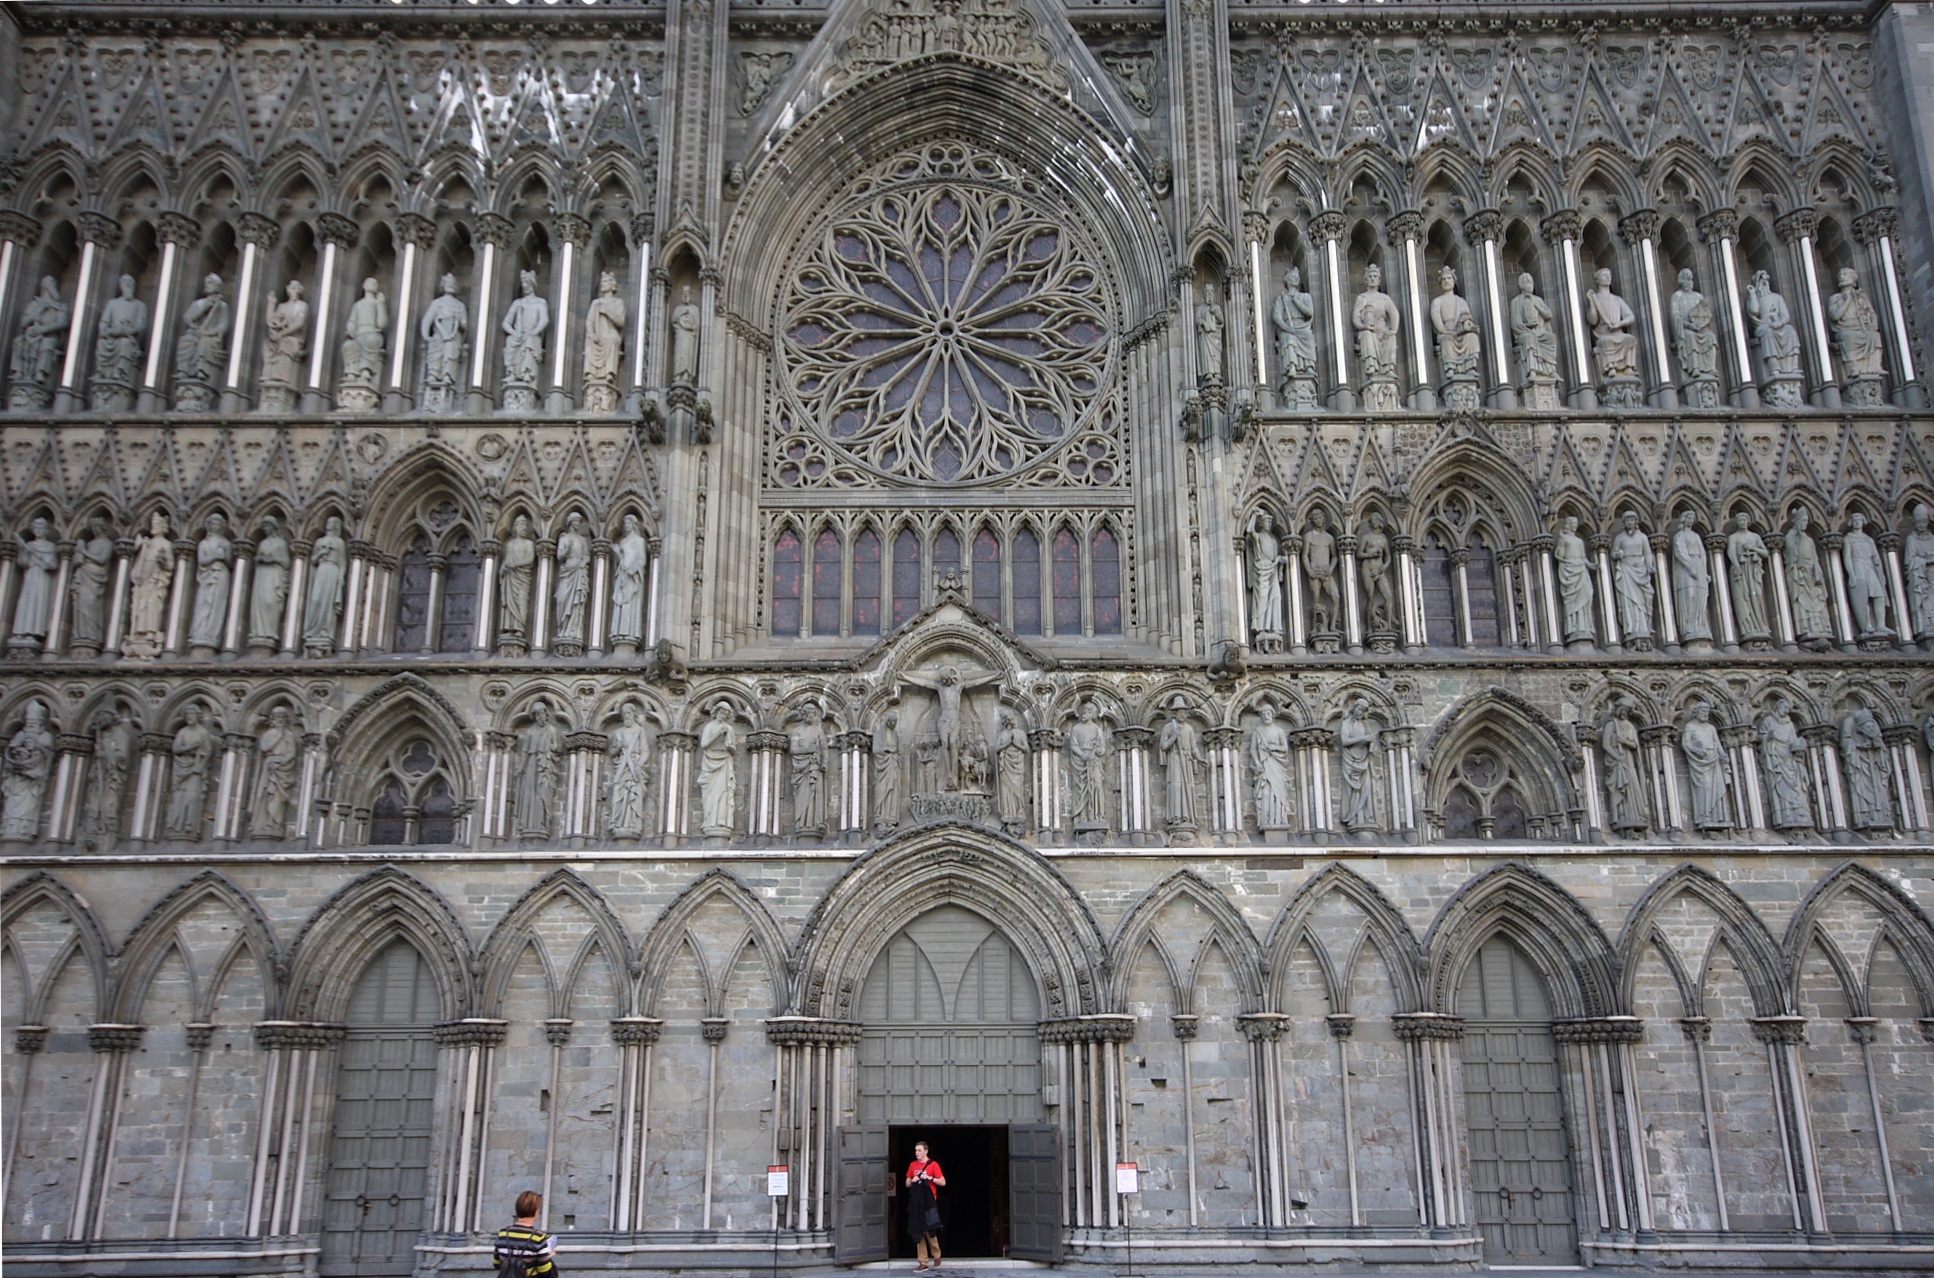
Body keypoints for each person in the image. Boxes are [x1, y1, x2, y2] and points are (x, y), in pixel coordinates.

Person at [494, 1191, 558, 1278]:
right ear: (535, 1212)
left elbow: (497, 1264)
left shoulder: (503, 1233)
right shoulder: (537, 1237)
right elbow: (544, 1270)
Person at [904, 1140, 946, 1271]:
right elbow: (907, 1183)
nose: (917, 1153)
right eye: (916, 1150)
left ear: (926, 1151)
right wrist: (912, 1180)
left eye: (919, 1150)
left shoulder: (933, 1165)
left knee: (930, 1229)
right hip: (916, 1203)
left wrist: (929, 1178)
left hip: (929, 1202)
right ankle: (923, 1261)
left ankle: (936, 1254)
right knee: (918, 1231)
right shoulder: (912, 1165)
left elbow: (943, 1182)